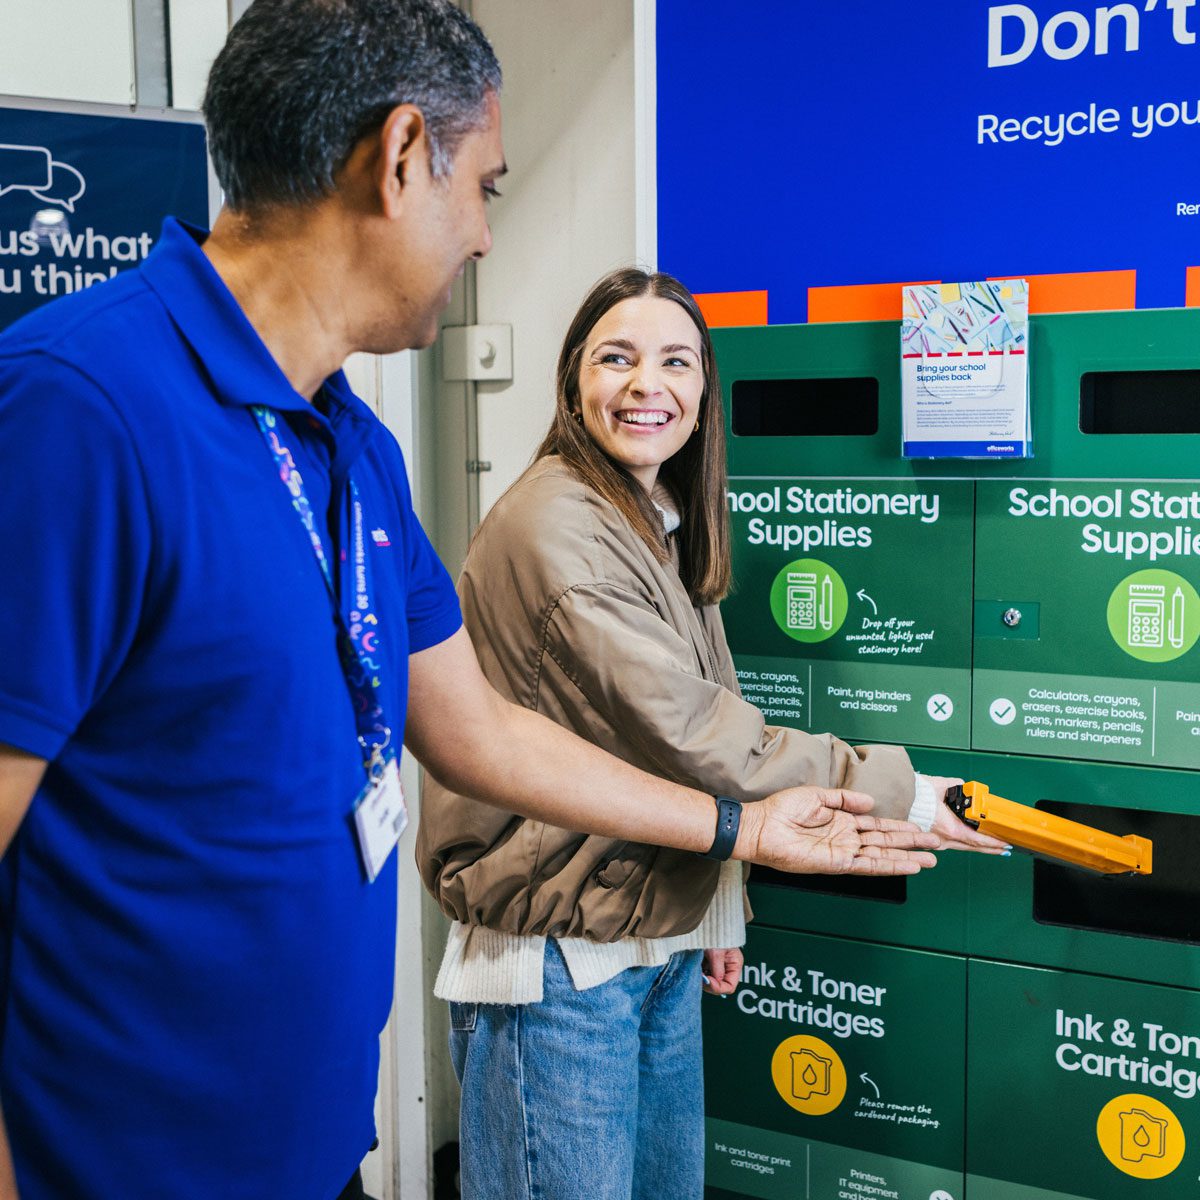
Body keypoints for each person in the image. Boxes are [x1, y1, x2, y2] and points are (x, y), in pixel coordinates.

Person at [0, 4, 942, 1199]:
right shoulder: (76, 408)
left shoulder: (353, 444)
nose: (487, 235)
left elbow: (480, 733)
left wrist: (740, 833)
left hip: (311, 1151)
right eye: (484, 187)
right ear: (401, 157)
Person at [417, 267, 1005, 1200]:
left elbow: (686, 720)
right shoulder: (556, 525)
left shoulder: (653, 518)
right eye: (616, 358)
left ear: (702, 393)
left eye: (675, 362)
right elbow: (690, 730)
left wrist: (717, 906)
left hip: (654, 941)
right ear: (574, 380)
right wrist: (907, 795)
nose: (646, 385)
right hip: (563, 968)